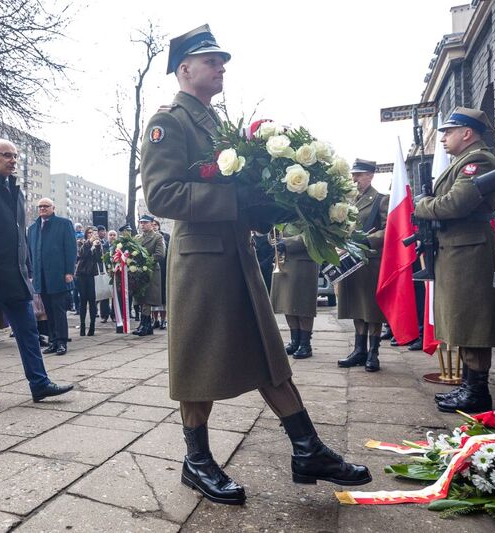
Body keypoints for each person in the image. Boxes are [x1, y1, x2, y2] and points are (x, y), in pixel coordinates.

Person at [140, 24, 370, 506]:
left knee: (269, 353)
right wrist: (234, 197)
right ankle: (197, 460)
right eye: (212, 60)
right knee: (198, 360)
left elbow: (239, 194)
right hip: (201, 261)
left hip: (236, 256)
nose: (222, 66)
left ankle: (307, 449)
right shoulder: (170, 122)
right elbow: (161, 195)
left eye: (222, 61)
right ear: (184, 69)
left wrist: (278, 203)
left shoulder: (215, 124)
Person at [0, 139, 72, 411]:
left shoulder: (16, 191)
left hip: (16, 278)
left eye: (15, 156)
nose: (12, 160)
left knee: (28, 332)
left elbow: (20, 236)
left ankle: (39, 383)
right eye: (6, 155)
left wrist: (27, 269)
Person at [414, 107, 495, 413]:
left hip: (469, 253)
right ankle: (469, 389)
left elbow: (457, 203)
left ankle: (476, 392)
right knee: (464, 321)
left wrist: (423, 205)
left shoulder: (478, 161)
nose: (443, 138)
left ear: (467, 133)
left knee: (472, 322)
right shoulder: (464, 161)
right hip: (459, 251)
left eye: (448, 131)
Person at [336, 159, 388, 372]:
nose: (354, 179)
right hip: (351, 261)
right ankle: (359, 350)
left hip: (370, 261)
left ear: (370, 175)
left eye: (359, 175)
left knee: (372, 309)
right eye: (353, 175)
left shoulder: (381, 200)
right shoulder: (348, 202)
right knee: (357, 306)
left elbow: (388, 230)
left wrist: (367, 240)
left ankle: (373, 352)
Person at [27, 198, 76, 356]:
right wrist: (32, 273)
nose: (42, 209)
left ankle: (62, 341)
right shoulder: (33, 228)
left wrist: (69, 271)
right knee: (48, 310)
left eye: (46, 206)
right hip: (40, 277)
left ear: (53, 208)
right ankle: (53, 341)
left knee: (59, 310)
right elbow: (30, 253)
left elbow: (70, 249)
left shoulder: (64, 224)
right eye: (40, 206)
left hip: (58, 275)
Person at [271, 234, 319, 359]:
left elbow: (312, 233)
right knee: (287, 303)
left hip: (303, 261)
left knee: (303, 304)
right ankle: (295, 341)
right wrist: (274, 240)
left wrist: (286, 243)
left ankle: (305, 344)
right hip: (284, 260)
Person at [132, 214, 165, 336]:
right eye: (141, 223)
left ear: (152, 224)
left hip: (151, 271)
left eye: (145, 223)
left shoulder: (157, 237)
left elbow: (160, 254)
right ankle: (144, 325)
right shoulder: (137, 238)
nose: (143, 225)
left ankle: (145, 325)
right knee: (140, 298)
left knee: (147, 298)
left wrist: (146, 261)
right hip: (138, 271)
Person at [74, 226, 102, 336]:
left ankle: (92, 326)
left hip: (92, 275)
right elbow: (81, 254)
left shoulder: (98, 244)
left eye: (94, 233)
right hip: (82, 274)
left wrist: (98, 248)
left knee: (92, 301)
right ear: (86, 234)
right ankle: (82, 326)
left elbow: (100, 259)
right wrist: (89, 243)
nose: (92, 235)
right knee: (83, 301)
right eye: (90, 233)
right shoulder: (82, 243)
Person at [151, 218, 170, 329]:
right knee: (153, 296)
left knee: (163, 296)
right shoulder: (148, 237)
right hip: (152, 269)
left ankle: (163, 320)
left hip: (163, 269)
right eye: (152, 224)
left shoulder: (165, 237)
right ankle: (155, 320)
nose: (154, 226)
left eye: (156, 225)